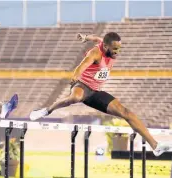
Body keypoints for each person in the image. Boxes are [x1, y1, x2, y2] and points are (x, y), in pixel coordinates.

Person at [29, 32, 171, 156]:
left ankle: (156, 146)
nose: (117, 52)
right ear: (106, 47)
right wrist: (76, 75)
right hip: (82, 85)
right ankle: (46, 110)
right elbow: (82, 65)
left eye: (119, 49)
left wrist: (86, 37)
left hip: (96, 92)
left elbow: (97, 38)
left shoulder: (105, 43)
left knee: (127, 112)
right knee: (75, 97)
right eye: (115, 49)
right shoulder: (95, 53)